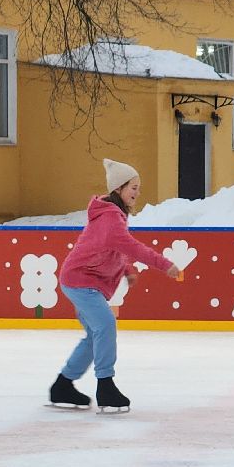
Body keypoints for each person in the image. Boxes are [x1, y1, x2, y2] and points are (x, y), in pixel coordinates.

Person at [48, 159, 182, 413]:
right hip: (81, 281)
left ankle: (62, 385)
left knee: (95, 335)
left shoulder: (112, 214)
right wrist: (165, 264)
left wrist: (127, 269)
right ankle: (105, 386)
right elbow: (131, 246)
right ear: (118, 188)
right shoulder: (110, 217)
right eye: (133, 187)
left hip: (82, 280)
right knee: (106, 325)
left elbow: (113, 247)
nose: (137, 193)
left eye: (139, 188)